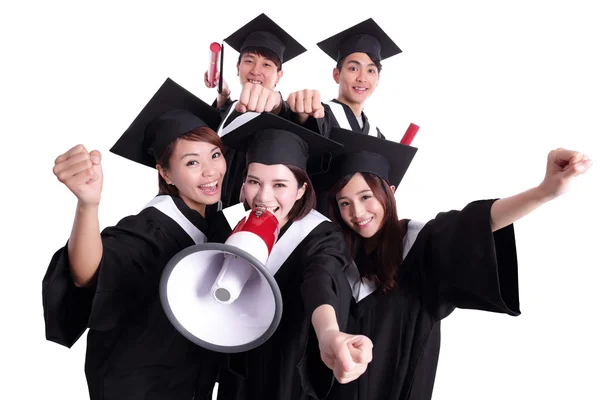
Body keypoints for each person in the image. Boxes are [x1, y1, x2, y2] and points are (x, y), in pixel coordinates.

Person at [323, 127, 592, 400]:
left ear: (390, 192)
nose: (356, 212)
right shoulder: (334, 256)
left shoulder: (421, 243)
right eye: (345, 203)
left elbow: (478, 222)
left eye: (366, 196)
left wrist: (544, 191)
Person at [42, 78, 226, 400]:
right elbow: (90, 273)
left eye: (215, 155)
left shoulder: (213, 220)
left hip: (186, 381)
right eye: (192, 162)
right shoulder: (149, 230)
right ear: (165, 174)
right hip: (136, 385)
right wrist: (88, 205)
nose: (210, 171)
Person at [205, 113, 373, 400]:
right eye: (254, 181)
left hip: (285, 373)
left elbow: (320, 280)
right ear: (242, 184)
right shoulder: (224, 224)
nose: (263, 197)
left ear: (301, 190)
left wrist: (330, 332)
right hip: (236, 373)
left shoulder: (321, 235)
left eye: (280, 185)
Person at [204, 13, 307, 208]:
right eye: (249, 61)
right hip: (211, 211)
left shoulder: (285, 114)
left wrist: (277, 104)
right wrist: (222, 97)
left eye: (267, 64)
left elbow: (283, 112)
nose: (256, 70)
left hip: (260, 212)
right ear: (238, 67)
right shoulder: (228, 110)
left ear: (279, 76)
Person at [287, 18, 402, 139]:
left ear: (378, 78)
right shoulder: (319, 114)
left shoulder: (376, 135)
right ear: (336, 75)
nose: (362, 78)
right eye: (353, 68)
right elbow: (303, 124)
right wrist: (300, 115)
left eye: (370, 71)